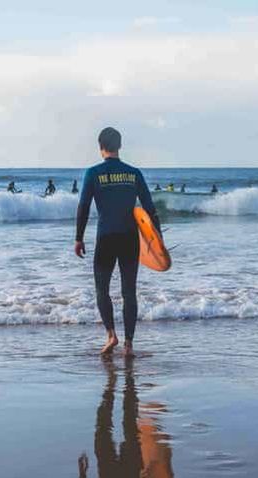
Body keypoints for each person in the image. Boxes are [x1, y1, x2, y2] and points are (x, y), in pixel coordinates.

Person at [75, 127, 161, 356]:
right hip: (129, 238)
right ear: (120, 146)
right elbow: (150, 209)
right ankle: (129, 345)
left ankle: (111, 335)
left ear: (100, 146)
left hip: (106, 237)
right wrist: (157, 240)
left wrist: (78, 238)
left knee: (101, 290)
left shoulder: (93, 173)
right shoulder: (134, 173)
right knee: (129, 292)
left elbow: (83, 207)